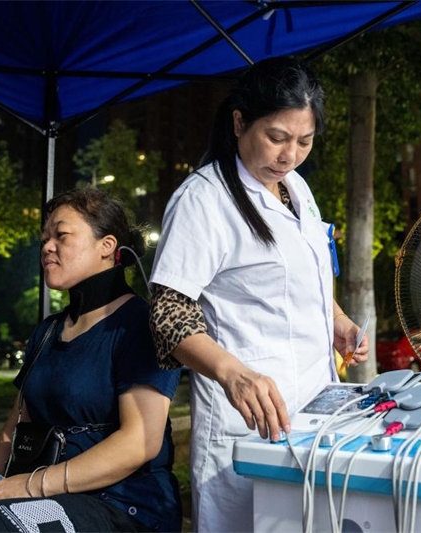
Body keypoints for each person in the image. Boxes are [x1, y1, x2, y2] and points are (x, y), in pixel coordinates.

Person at [149, 57, 369, 532]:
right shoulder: (204, 198)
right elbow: (168, 312)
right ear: (239, 123)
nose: (290, 155)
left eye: (304, 141)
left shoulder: (297, 188)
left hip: (317, 410)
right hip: (245, 420)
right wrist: (234, 375)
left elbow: (301, 274)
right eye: (277, 137)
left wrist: (336, 319)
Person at [0, 189, 182, 533]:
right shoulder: (47, 331)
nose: (47, 247)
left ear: (107, 246)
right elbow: (15, 424)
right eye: (44, 238)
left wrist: (30, 485)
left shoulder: (139, 325)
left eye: (62, 235)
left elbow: (140, 443)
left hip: (123, 506)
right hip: (47, 495)